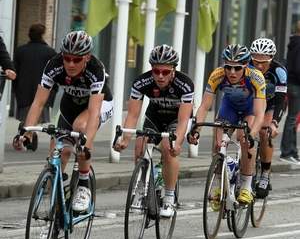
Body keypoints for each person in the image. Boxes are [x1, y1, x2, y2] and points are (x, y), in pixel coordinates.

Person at [13, 31, 114, 215]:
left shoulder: (96, 69)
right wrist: (26, 133)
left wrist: (87, 146)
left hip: (98, 106)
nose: (71, 64)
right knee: (56, 158)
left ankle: (83, 185)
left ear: (87, 57)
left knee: (80, 129)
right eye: (67, 58)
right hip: (69, 105)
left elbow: (93, 113)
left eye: (76, 60)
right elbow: (38, 103)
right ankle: (55, 212)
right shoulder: (54, 64)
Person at [113, 44, 194, 217]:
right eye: (156, 71)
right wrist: (126, 139)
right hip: (154, 117)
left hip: (176, 119)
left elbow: (183, 121)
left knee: (167, 148)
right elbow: (133, 116)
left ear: (173, 70)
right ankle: (146, 191)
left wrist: (176, 143)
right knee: (140, 147)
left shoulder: (185, 84)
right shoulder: (142, 82)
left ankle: (169, 199)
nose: (160, 76)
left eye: (165, 72)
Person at [188, 44, 266, 206]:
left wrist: (252, 135)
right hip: (229, 107)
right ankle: (219, 184)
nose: (231, 72)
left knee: (244, 138)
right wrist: (196, 129)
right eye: (228, 67)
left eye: (237, 68)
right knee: (217, 144)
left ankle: (246, 186)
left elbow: (259, 114)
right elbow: (203, 107)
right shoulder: (217, 75)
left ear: (245, 67)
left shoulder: (256, 77)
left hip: (249, 108)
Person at [249, 38, 287, 198]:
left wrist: (274, 123)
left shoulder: (279, 71)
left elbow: (280, 101)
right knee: (246, 132)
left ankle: (265, 173)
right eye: (256, 60)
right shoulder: (246, 67)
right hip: (251, 103)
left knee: (265, 133)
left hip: (271, 103)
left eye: (264, 62)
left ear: (271, 59)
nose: (259, 66)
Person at [14, 22, 58, 151]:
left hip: (24, 88)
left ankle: (27, 131)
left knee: (27, 112)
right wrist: (54, 89)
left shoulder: (21, 50)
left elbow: (15, 69)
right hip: (43, 89)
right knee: (40, 114)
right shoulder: (50, 52)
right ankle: (34, 133)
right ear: (43, 35)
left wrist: (15, 88)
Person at [279, 21, 300, 166]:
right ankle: (287, 152)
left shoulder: (294, 43)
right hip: (297, 85)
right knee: (292, 119)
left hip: (291, 83)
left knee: (292, 118)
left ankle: (292, 152)